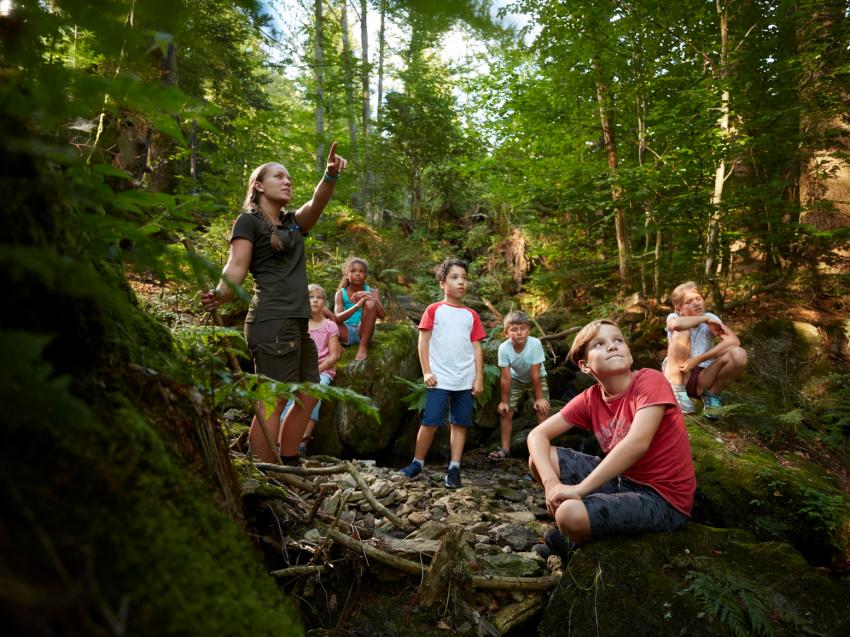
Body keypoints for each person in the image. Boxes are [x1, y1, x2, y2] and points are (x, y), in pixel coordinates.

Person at [201, 143, 348, 465]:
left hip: (296, 323)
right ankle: (267, 470)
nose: (287, 181)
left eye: (289, 177)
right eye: (278, 176)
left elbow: (318, 202)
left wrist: (330, 175)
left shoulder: (293, 223)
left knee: (309, 394)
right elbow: (236, 266)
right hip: (271, 321)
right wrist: (221, 293)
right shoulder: (248, 222)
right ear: (258, 185)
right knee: (274, 400)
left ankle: (290, 459)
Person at [526, 319, 696, 557]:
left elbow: (637, 444)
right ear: (585, 366)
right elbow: (537, 435)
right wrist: (551, 484)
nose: (613, 346)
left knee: (567, 515)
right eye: (600, 343)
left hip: (663, 500)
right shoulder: (591, 398)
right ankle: (583, 527)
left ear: (630, 354)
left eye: (618, 340)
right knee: (539, 459)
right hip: (621, 481)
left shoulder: (650, 381)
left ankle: (577, 543)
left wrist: (580, 490)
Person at [399, 258, 485, 489]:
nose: (461, 283)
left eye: (464, 278)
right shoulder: (434, 310)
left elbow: (477, 347)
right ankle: (417, 462)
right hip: (439, 378)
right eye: (454, 278)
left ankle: (454, 468)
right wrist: (426, 371)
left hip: (464, 379)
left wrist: (479, 378)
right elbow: (423, 342)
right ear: (442, 283)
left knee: (460, 423)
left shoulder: (471, 315)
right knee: (431, 421)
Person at [662, 281, 748, 419]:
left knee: (739, 354)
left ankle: (712, 396)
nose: (696, 303)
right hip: (678, 374)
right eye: (689, 301)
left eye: (698, 299)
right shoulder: (675, 317)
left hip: (703, 377)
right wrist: (705, 318)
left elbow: (734, 341)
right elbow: (675, 325)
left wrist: (699, 359)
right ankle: (677, 392)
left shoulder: (711, 319)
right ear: (679, 309)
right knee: (682, 332)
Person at [280, 284, 340, 456]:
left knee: (313, 396)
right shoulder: (299, 324)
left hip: (321, 371)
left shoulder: (329, 326)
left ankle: (302, 444)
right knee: (287, 397)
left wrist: (313, 372)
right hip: (297, 371)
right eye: (311, 297)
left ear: (324, 302)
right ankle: (279, 443)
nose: (315, 300)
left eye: (319, 297)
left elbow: (333, 356)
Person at [490, 310, 550, 460]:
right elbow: (505, 378)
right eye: (514, 330)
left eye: (523, 329)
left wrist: (539, 398)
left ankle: (543, 450)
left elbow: (535, 374)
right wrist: (504, 402)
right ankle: (505, 449)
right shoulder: (504, 348)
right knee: (506, 412)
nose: (519, 333)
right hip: (516, 380)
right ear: (506, 333)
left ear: (529, 330)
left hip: (537, 378)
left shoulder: (535, 344)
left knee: (542, 409)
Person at [332, 256, 385, 361]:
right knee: (323, 312)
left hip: (364, 331)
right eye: (353, 271)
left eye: (361, 271)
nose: (357, 274)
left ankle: (363, 347)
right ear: (347, 275)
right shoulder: (340, 293)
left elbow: (382, 315)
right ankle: (336, 344)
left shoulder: (372, 291)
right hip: (345, 332)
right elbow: (338, 318)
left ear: (365, 275)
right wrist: (357, 306)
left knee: (370, 302)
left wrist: (369, 295)